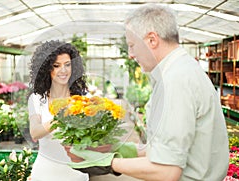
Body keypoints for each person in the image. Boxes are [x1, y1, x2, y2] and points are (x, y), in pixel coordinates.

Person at [69, 4, 229, 180]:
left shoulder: (176, 81)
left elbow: (167, 171)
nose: (130, 54)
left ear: (152, 40)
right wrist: (123, 148)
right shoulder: (180, 71)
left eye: (132, 45)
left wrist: (108, 162)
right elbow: (167, 149)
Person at [28, 40, 89, 181]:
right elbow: (35, 132)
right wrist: (62, 117)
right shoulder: (37, 99)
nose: (64, 70)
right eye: (56, 66)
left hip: (77, 173)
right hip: (45, 173)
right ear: (46, 69)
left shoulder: (82, 99)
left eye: (67, 65)